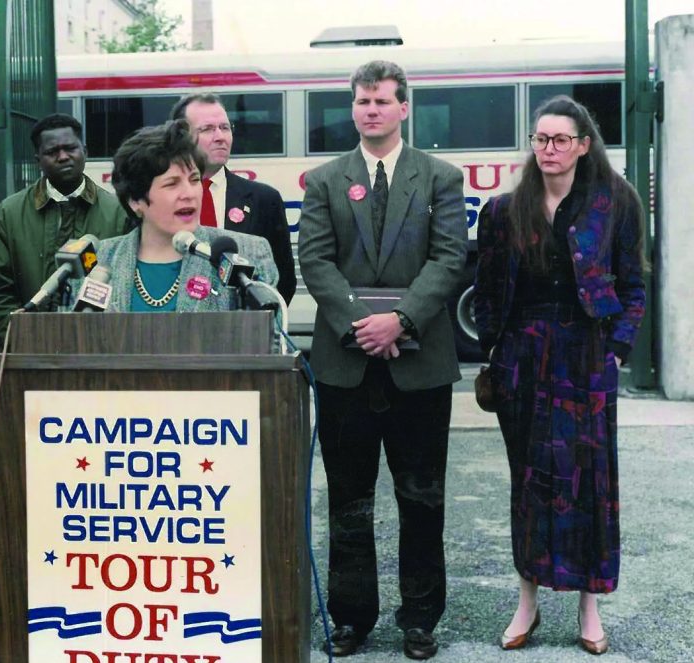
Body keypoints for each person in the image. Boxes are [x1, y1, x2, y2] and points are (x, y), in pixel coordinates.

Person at [298, 61, 467, 660]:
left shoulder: (442, 178)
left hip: (420, 366)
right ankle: (352, 618)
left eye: (382, 101)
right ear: (353, 109)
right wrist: (360, 325)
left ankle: (420, 619)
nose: (371, 109)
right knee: (348, 497)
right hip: (345, 365)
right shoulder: (322, 180)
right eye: (363, 101)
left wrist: (401, 320)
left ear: (403, 109)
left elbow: (450, 259)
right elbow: (314, 262)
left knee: (421, 496)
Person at [473, 95, 645, 656]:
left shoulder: (615, 202)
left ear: (583, 144)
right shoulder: (504, 210)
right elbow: (489, 294)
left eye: (560, 139)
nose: (548, 149)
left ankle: (588, 607)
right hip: (522, 360)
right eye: (540, 139)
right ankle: (527, 602)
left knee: (590, 486)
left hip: (587, 356)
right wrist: (491, 358)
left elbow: (632, 287)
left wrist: (617, 349)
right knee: (529, 482)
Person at [88, 119, 278, 312]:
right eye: (172, 183)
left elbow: (268, 337)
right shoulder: (99, 260)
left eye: (195, 180)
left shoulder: (248, 253)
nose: (189, 193)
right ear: (135, 200)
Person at [0, 113, 127, 337]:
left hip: (101, 347)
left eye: (70, 148)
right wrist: (22, 338)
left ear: (84, 151)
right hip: (29, 353)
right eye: (52, 152)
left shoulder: (120, 213)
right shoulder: (7, 215)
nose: (63, 157)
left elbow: (127, 285)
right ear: (38, 159)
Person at [169, 93, 296, 303]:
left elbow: (283, 282)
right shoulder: (161, 199)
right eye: (208, 129)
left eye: (225, 127)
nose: (220, 136)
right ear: (181, 136)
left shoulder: (264, 200)